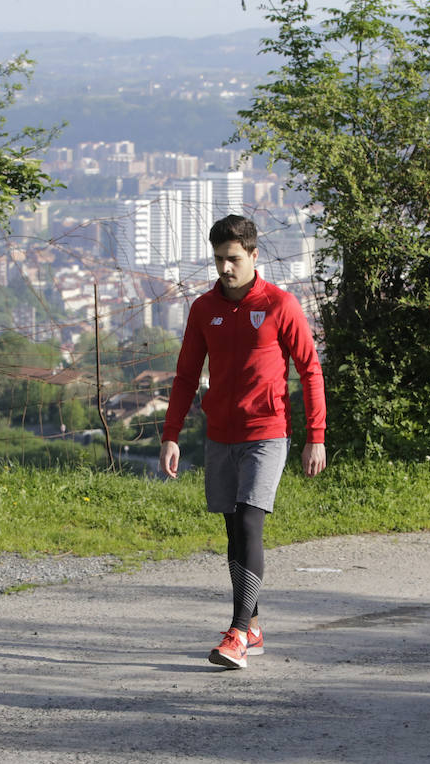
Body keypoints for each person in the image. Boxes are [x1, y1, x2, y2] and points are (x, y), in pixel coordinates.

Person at [159, 214, 327, 670]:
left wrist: (316, 436)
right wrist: (171, 434)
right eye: (218, 260)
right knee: (233, 532)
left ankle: (236, 633)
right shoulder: (202, 308)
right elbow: (186, 375)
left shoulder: (279, 304)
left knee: (251, 522)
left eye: (233, 259)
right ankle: (251, 626)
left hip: (267, 432)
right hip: (221, 434)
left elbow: (310, 369)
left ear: (253, 256)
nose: (224, 269)